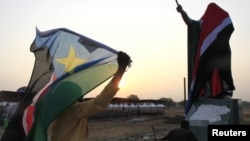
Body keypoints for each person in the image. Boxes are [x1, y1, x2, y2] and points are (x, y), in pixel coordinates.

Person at [47, 51, 131, 141]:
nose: (82, 97)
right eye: (79, 94)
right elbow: (98, 103)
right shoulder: (70, 109)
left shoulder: (58, 110)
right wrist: (119, 73)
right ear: (71, 95)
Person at [176, 3, 235, 114]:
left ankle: (223, 92)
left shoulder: (221, 26)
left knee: (222, 75)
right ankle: (208, 92)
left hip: (222, 56)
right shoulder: (204, 23)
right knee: (206, 75)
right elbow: (191, 23)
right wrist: (182, 11)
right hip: (208, 58)